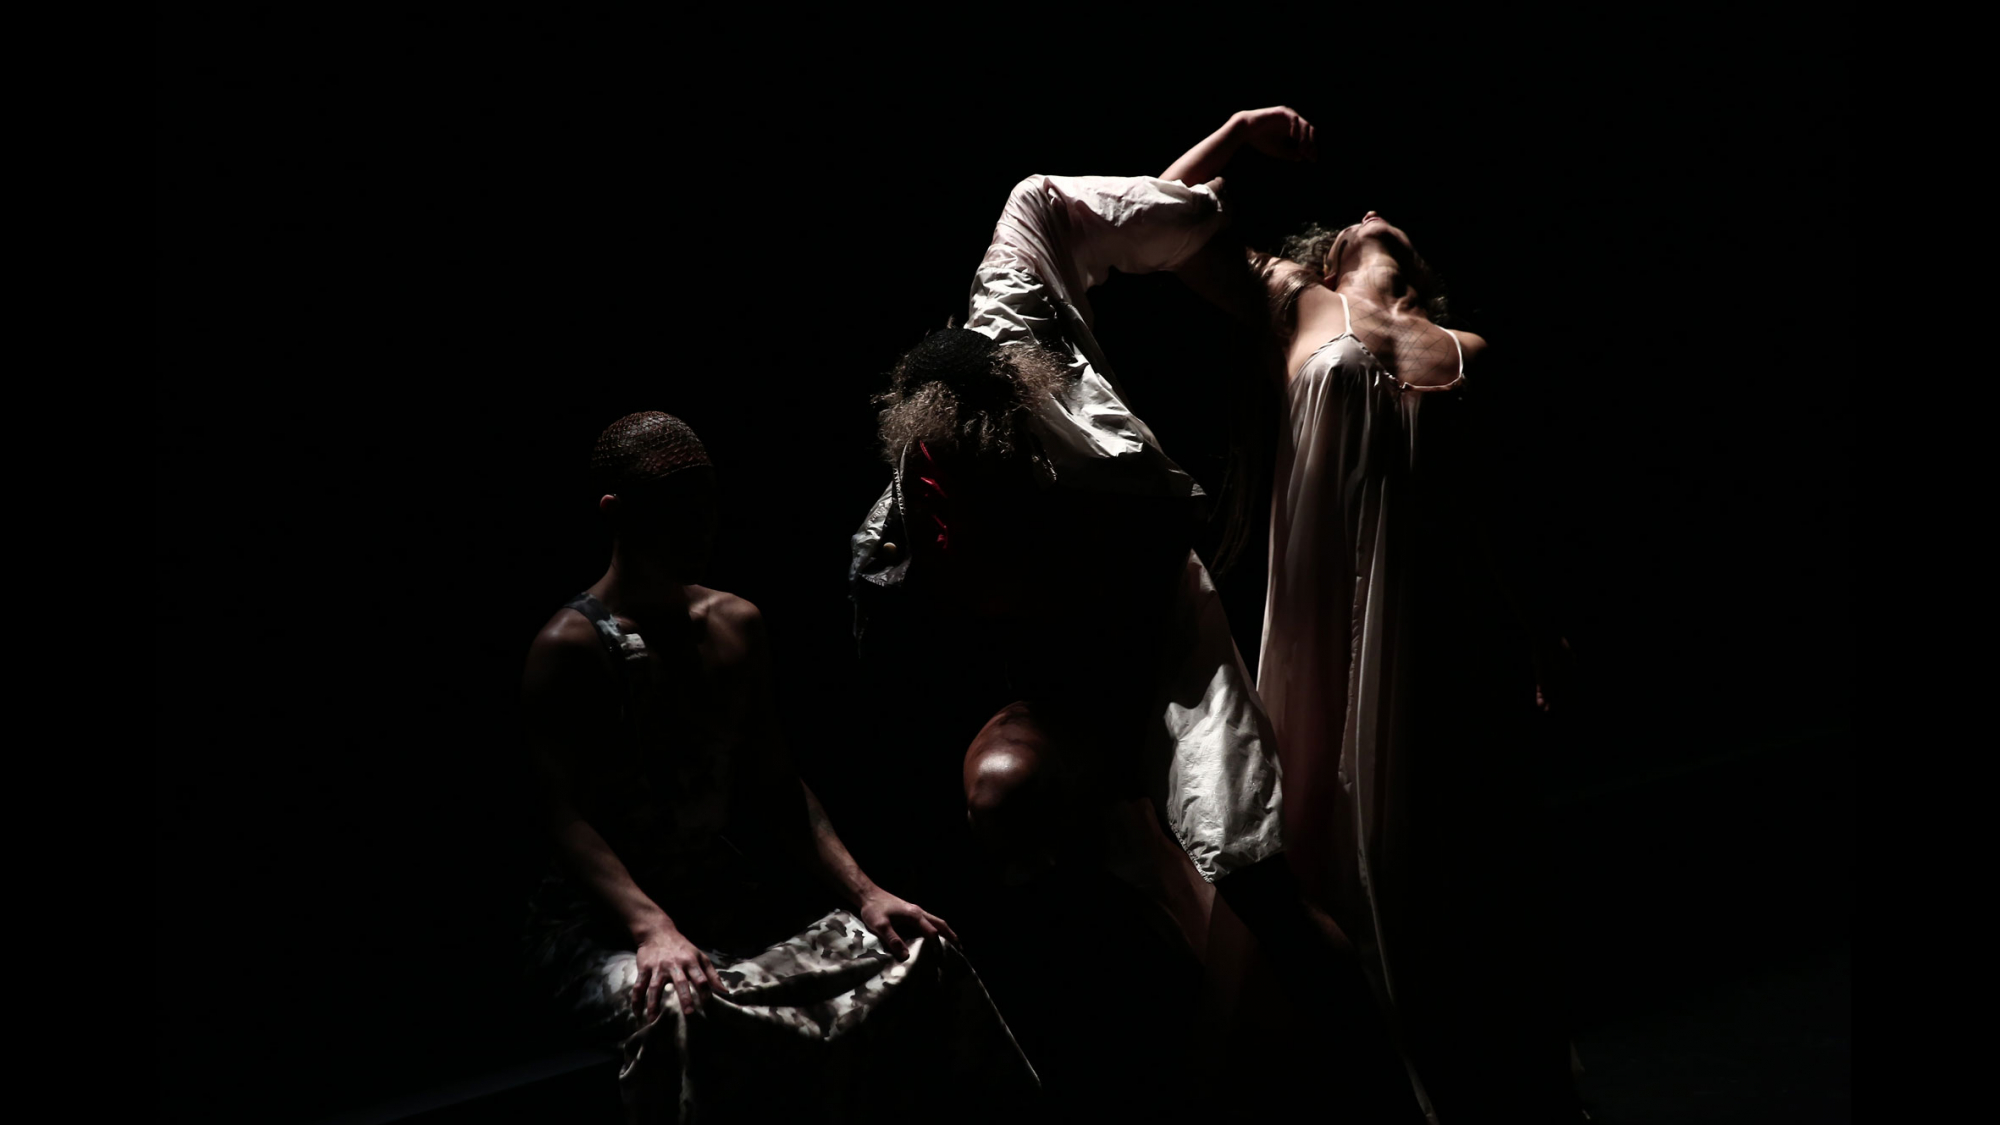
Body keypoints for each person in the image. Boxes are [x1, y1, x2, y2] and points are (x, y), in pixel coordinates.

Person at [849, 109, 1418, 1121]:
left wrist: (1234, 136)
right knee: (1009, 803)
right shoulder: (906, 531)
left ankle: (1382, 1092)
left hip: (1163, 644)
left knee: (1255, 881)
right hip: (1050, 685)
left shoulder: (1030, 338)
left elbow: (1130, 216)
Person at [1172, 114, 1587, 1121]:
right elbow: (1160, 216)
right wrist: (1236, 133)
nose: (1370, 207)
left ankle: (1470, 1064)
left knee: (1437, 840)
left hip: (1427, 621)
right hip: (1319, 612)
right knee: (1315, 802)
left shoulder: (1462, 347)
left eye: (1382, 210)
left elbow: (1482, 517)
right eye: (1355, 212)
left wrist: (1530, 636)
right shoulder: (1290, 298)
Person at [523, 411, 1037, 1124]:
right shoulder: (569, 647)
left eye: (706, 509)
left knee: (916, 950)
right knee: (684, 1008)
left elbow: (776, 784)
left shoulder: (735, 625)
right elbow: (562, 813)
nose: (699, 529)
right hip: (604, 926)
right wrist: (651, 926)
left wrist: (864, 892)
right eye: (676, 513)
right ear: (618, 514)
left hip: (720, 901)